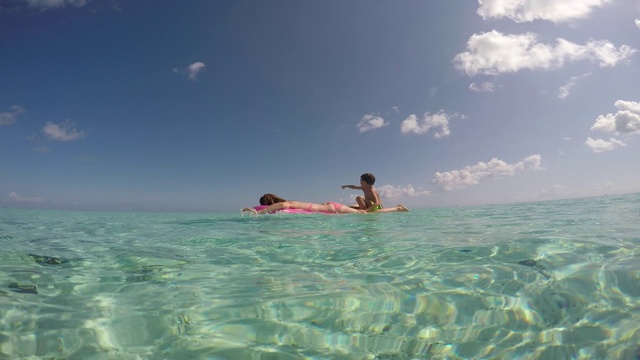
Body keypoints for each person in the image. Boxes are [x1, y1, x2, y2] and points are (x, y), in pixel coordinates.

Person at [242, 193, 408, 214]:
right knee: (358, 210)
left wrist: (259, 212)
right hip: (329, 206)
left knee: (366, 214)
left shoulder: (289, 203)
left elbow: (284, 206)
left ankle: (397, 208)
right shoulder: (290, 205)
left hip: (333, 208)